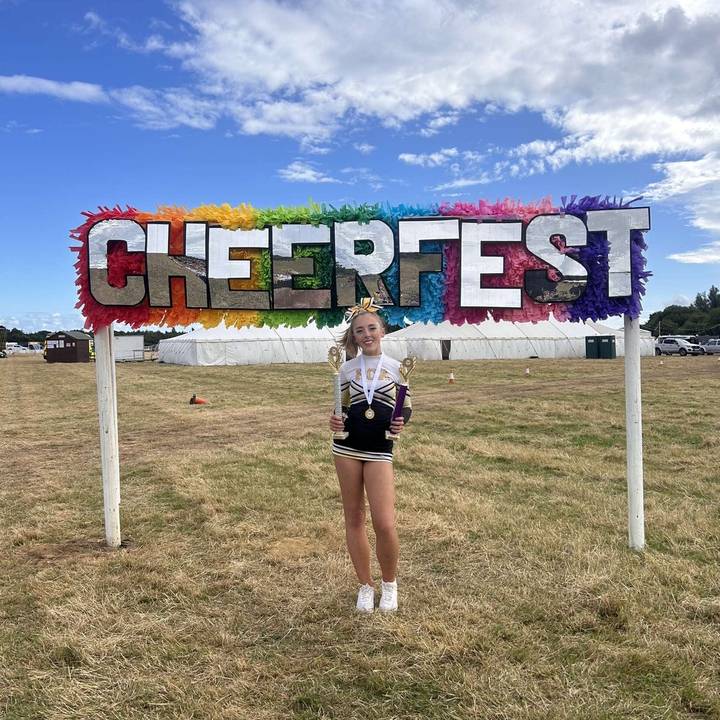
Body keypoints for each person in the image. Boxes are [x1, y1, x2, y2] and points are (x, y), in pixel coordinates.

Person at [329, 299, 412, 613]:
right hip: (347, 447)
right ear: (353, 336)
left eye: (371, 328)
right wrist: (334, 420)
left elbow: (406, 407)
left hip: (379, 449)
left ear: (382, 330)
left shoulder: (397, 368)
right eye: (360, 330)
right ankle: (365, 586)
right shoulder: (346, 369)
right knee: (354, 518)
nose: (367, 334)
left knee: (385, 523)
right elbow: (340, 408)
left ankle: (389, 584)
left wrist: (402, 421)